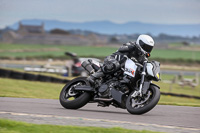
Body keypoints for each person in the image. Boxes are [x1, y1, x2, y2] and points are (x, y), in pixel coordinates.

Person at [87, 34, 155, 86]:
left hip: (124, 71)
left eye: (149, 48)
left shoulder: (143, 57)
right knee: (115, 65)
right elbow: (121, 49)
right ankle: (93, 77)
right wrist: (130, 48)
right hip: (112, 59)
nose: (148, 49)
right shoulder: (131, 45)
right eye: (146, 47)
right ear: (141, 43)